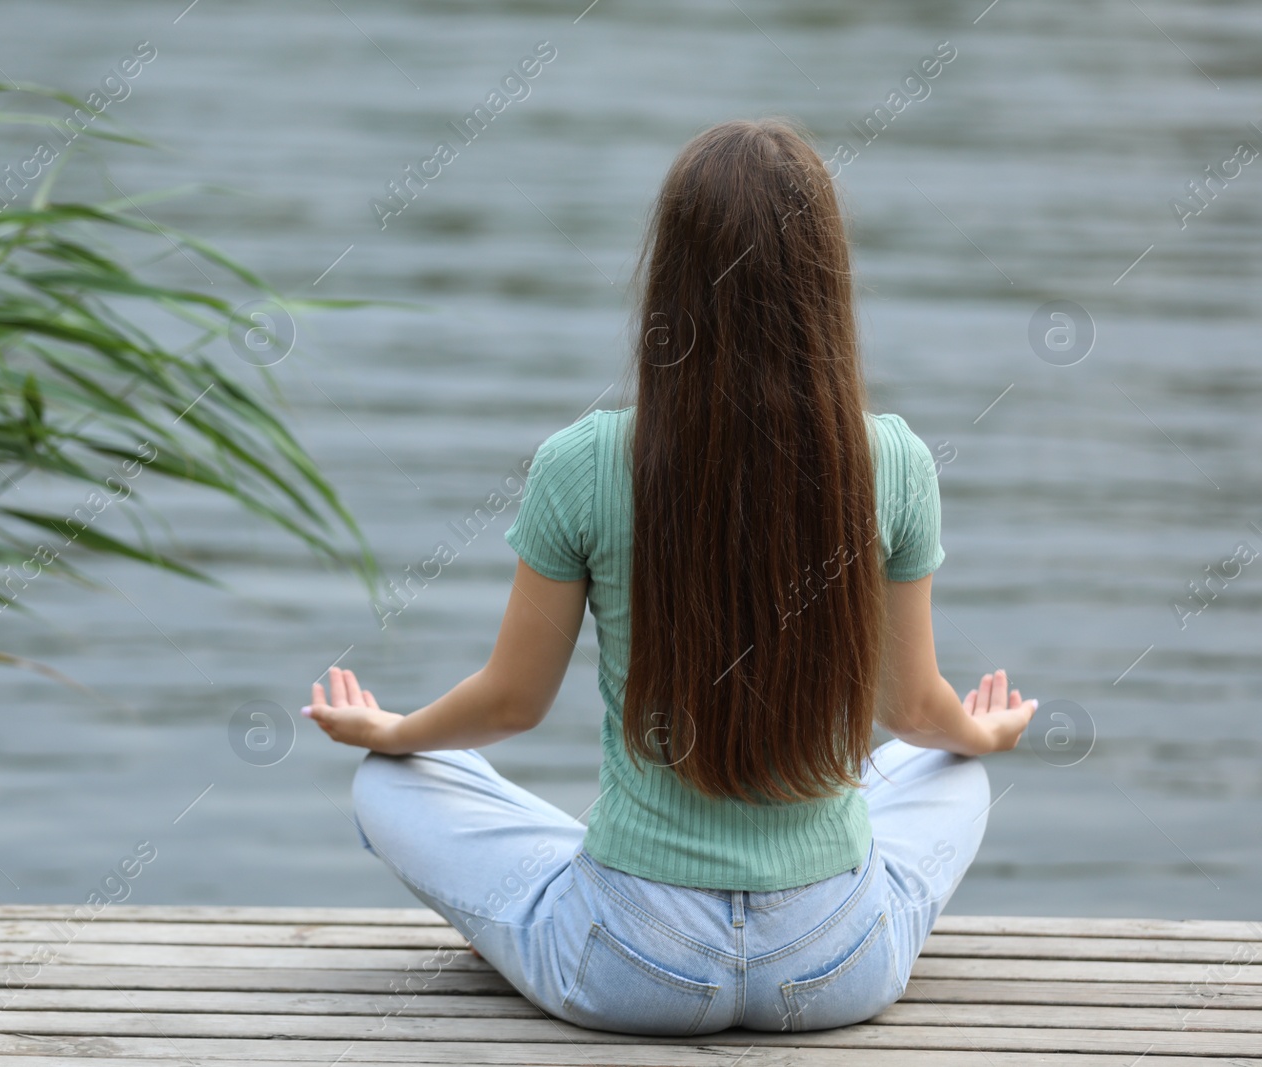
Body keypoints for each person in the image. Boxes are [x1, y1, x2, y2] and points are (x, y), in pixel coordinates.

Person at [302, 118, 1037, 1036]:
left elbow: (511, 705)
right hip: (836, 962)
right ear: (826, 283)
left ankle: (598, 869)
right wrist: (987, 734)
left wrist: (397, 729)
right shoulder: (893, 461)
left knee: (390, 780)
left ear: (673, 282)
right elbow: (915, 713)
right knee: (953, 768)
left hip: (633, 960)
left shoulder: (583, 461)